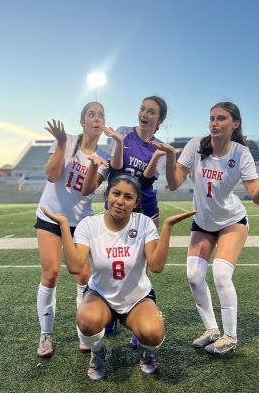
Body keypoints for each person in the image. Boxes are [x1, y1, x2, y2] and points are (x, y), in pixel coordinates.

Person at [151, 102, 259, 354]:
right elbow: (174, 183)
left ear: (235, 124)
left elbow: (257, 197)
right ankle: (212, 329)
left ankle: (230, 336)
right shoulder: (196, 145)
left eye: (221, 118)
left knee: (220, 273)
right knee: (194, 276)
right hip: (203, 222)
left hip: (232, 221)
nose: (214, 123)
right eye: (211, 118)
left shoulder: (241, 153)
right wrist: (171, 157)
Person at [41, 174, 196, 380]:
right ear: (107, 195)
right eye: (116, 194)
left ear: (136, 202)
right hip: (101, 296)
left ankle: (146, 351)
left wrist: (166, 227)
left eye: (128, 197)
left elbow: (156, 267)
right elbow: (76, 267)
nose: (120, 201)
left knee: (155, 331)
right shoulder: (89, 225)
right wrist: (63, 226)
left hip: (138, 297)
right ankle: (98, 353)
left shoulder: (144, 223)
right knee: (86, 321)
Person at [81, 95, 169, 348]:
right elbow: (116, 167)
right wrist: (119, 141)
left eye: (151, 112)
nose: (144, 114)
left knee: (142, 263)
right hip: (118, 204)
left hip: (145, 207)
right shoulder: (123, 132)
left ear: (159, 119)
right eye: (142, 109)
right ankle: (108, 306)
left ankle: (136, 316)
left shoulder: (160, 146)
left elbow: (148, 178)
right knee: (108, 254)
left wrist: (156, 155)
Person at [34, 102, 109, 358]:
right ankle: (46, 335)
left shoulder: (104, 158)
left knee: (83, 277)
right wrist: (62, 144)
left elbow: (86, 191)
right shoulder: (66, 140)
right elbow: (52, 176)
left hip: (80, 222)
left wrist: (95, 167)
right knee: (51, 274)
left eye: (101, 115)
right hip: (51, 215)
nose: (96, 118)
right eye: (91, 114)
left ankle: (84, 333)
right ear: (82, 121)